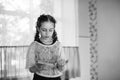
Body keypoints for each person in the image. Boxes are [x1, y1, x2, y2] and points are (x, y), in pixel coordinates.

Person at [26, 14, 68, 80]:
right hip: (39, 78)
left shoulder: (58, 45)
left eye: (50, 30)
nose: (47, 33)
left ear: (54, 30)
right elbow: (31, 69)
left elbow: (61, 69)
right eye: (44, 30)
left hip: (56, 78)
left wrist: (61, 65)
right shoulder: (34, 46)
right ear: (38, 29)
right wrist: (37, 67)